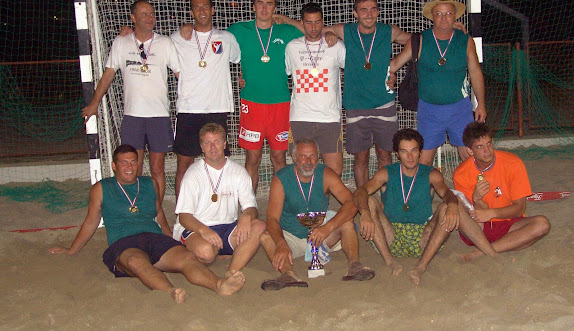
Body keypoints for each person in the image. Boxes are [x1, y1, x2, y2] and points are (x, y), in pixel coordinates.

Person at [48, 144, 245, 303]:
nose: (129, 167)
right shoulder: (101, 188)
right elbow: (91, 222)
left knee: (187, 258)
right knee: (136, 261)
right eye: (124, 162)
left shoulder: (149, 183)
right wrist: (71, 250)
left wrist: (170, 239)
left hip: (154, 237)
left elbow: (159, 214)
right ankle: (170, 291)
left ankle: (219, 285)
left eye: (133, 162)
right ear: (114, 166)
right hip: (124, 242)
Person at [275, 0, 411, 188]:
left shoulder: (384, 32)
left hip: (377, 105)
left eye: (373, 9)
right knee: (358, 158)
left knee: (382, 156)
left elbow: (417, 41)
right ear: (355, 13)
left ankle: (385, 198)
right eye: (363, 10)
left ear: (378, 11)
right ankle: (359, 198)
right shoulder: (342, 32)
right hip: (346, 108)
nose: (368, 14)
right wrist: (285, 19)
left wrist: (394, 66)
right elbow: (313, 30)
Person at [353, 128, 498, 285]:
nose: (410, 156)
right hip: (390, 236)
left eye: (414, 150)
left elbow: (447, 193)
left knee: (449, 206)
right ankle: (390, 262)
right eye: (404, 151)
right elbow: (361, 191)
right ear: (397, 154)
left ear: (420, 152)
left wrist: (452, 205)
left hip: (423, 238)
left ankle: (421, 267)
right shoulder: (387, 173)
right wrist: (365, 214)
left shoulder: (431, 174)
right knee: (369, 202)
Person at [82, 0, 180, 203]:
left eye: (152, 14)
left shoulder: (165, 43)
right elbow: (108, 75)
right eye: (144, 14)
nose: (150, 18)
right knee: (133, 167)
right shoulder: (121, 42)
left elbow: (182, 75)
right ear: (133, 18)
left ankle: (155, 210)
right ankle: (136, 208)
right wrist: (94, 103)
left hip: (159, 115)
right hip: (133, 116)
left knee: (157, 168)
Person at [259, 139, 375, 291]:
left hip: (321, 235)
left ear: (318, 157)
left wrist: (328, 228)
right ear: (294, 158)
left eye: (312, 156)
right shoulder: (281, 178)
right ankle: (289, 274)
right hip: (291, 238)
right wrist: (281, 243)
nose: (308, 161)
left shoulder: (325, 173)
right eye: (303, 156)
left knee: (346, 222)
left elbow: (351, 202)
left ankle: (355, 265)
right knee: (266, 237)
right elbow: (272, 218)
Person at [390, 0, 487, 166]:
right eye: (439, 13)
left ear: (455, 15)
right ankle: (423, 186)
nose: (444, 18)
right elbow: (395, 64)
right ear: (432, 16)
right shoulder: (419, 40)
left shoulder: (466, 40)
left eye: (448, 13)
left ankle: (473, 185)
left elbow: (475, 73)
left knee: (470, 158)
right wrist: (375, 71)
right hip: (429, 111)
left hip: (460, 109)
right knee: (423, 162)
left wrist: (481, 104)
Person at [227, 0, 303, 193]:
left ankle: (281, 203)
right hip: (252, 104)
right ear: (253, 6)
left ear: (275, 8)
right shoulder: (239, 30)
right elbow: (213, 42)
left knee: (279, 157)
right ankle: (249, 204)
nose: (264, 8)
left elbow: (312, 30)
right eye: (260, 3)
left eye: (269, 4)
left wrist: (285, 19)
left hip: (280, 104)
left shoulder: (286, 31)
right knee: (253, 158)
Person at [171, 0, 241, 200]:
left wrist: (243, 77)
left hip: (217, 109)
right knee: (184, 164)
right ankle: (182, 211)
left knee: (218, 163)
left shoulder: (226, 38)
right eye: (197, 7)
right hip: (188, 110)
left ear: (213, 10)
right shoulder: (177, 38)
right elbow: (154, 45)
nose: (201, 11)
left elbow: (240, 60)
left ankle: (220, 207)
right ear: (191, 12)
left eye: (205, 6)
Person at [173, 123, 266, 274]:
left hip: (227, 227)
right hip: (197, 226)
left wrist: (247, 216)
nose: (212, 147)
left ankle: (231, 271)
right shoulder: (193, 174)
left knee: (259, 226)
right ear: (201, 147)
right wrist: (204, 231)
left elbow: (251, 207)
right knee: (206, 253)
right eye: (207, 143)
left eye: (216, 141)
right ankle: (206, 252)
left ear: (224, 144)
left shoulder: (238, 171)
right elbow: (184, 217)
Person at [453, 121, 551, 261]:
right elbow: (474, 216)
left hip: (508, 222)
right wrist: (476, 199)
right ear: (470, 151)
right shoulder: (461, 173)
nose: (487, 150)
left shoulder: (513, 164)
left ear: (493, 142)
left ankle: (482, 252)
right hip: (479, 227)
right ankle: (503, 245)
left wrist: (492, 213)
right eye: (480, 147)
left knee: (542, 224)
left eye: (489, 143)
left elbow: (519, 209)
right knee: (454, 203)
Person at [284, 2, 346, 176]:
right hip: (300, 117)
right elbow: (283, 72)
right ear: (302, 23)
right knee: (301, 170)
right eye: (309, 23)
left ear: (323, 22)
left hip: (329, 118)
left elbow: (354, 70)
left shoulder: (336, 46)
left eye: (317, 22)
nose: (313, 27)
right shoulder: (292, 47)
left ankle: (322, 196)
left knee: (335, 171)